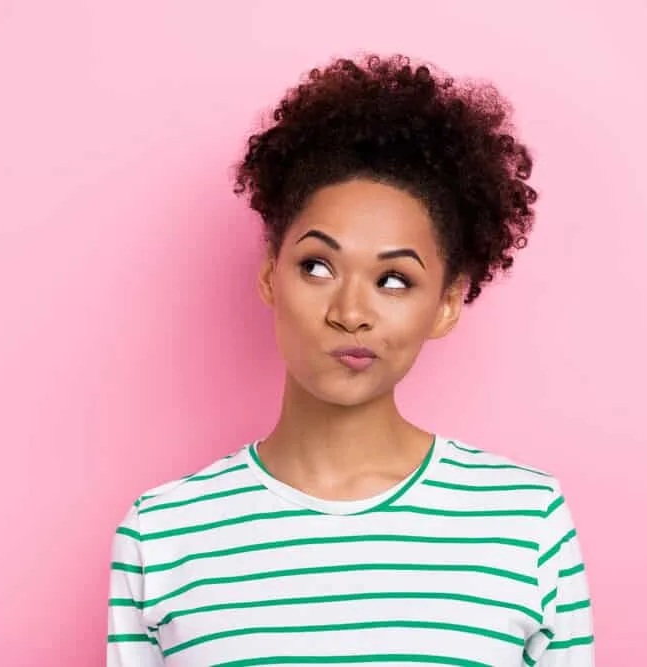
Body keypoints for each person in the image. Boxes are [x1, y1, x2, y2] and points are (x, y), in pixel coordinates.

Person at [107, 53, 594, 666]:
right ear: (269, 276)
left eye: (394, 280)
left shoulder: (526, 519)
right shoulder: (163, 533)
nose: (351, 311)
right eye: (317, 266)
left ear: (445, 305)